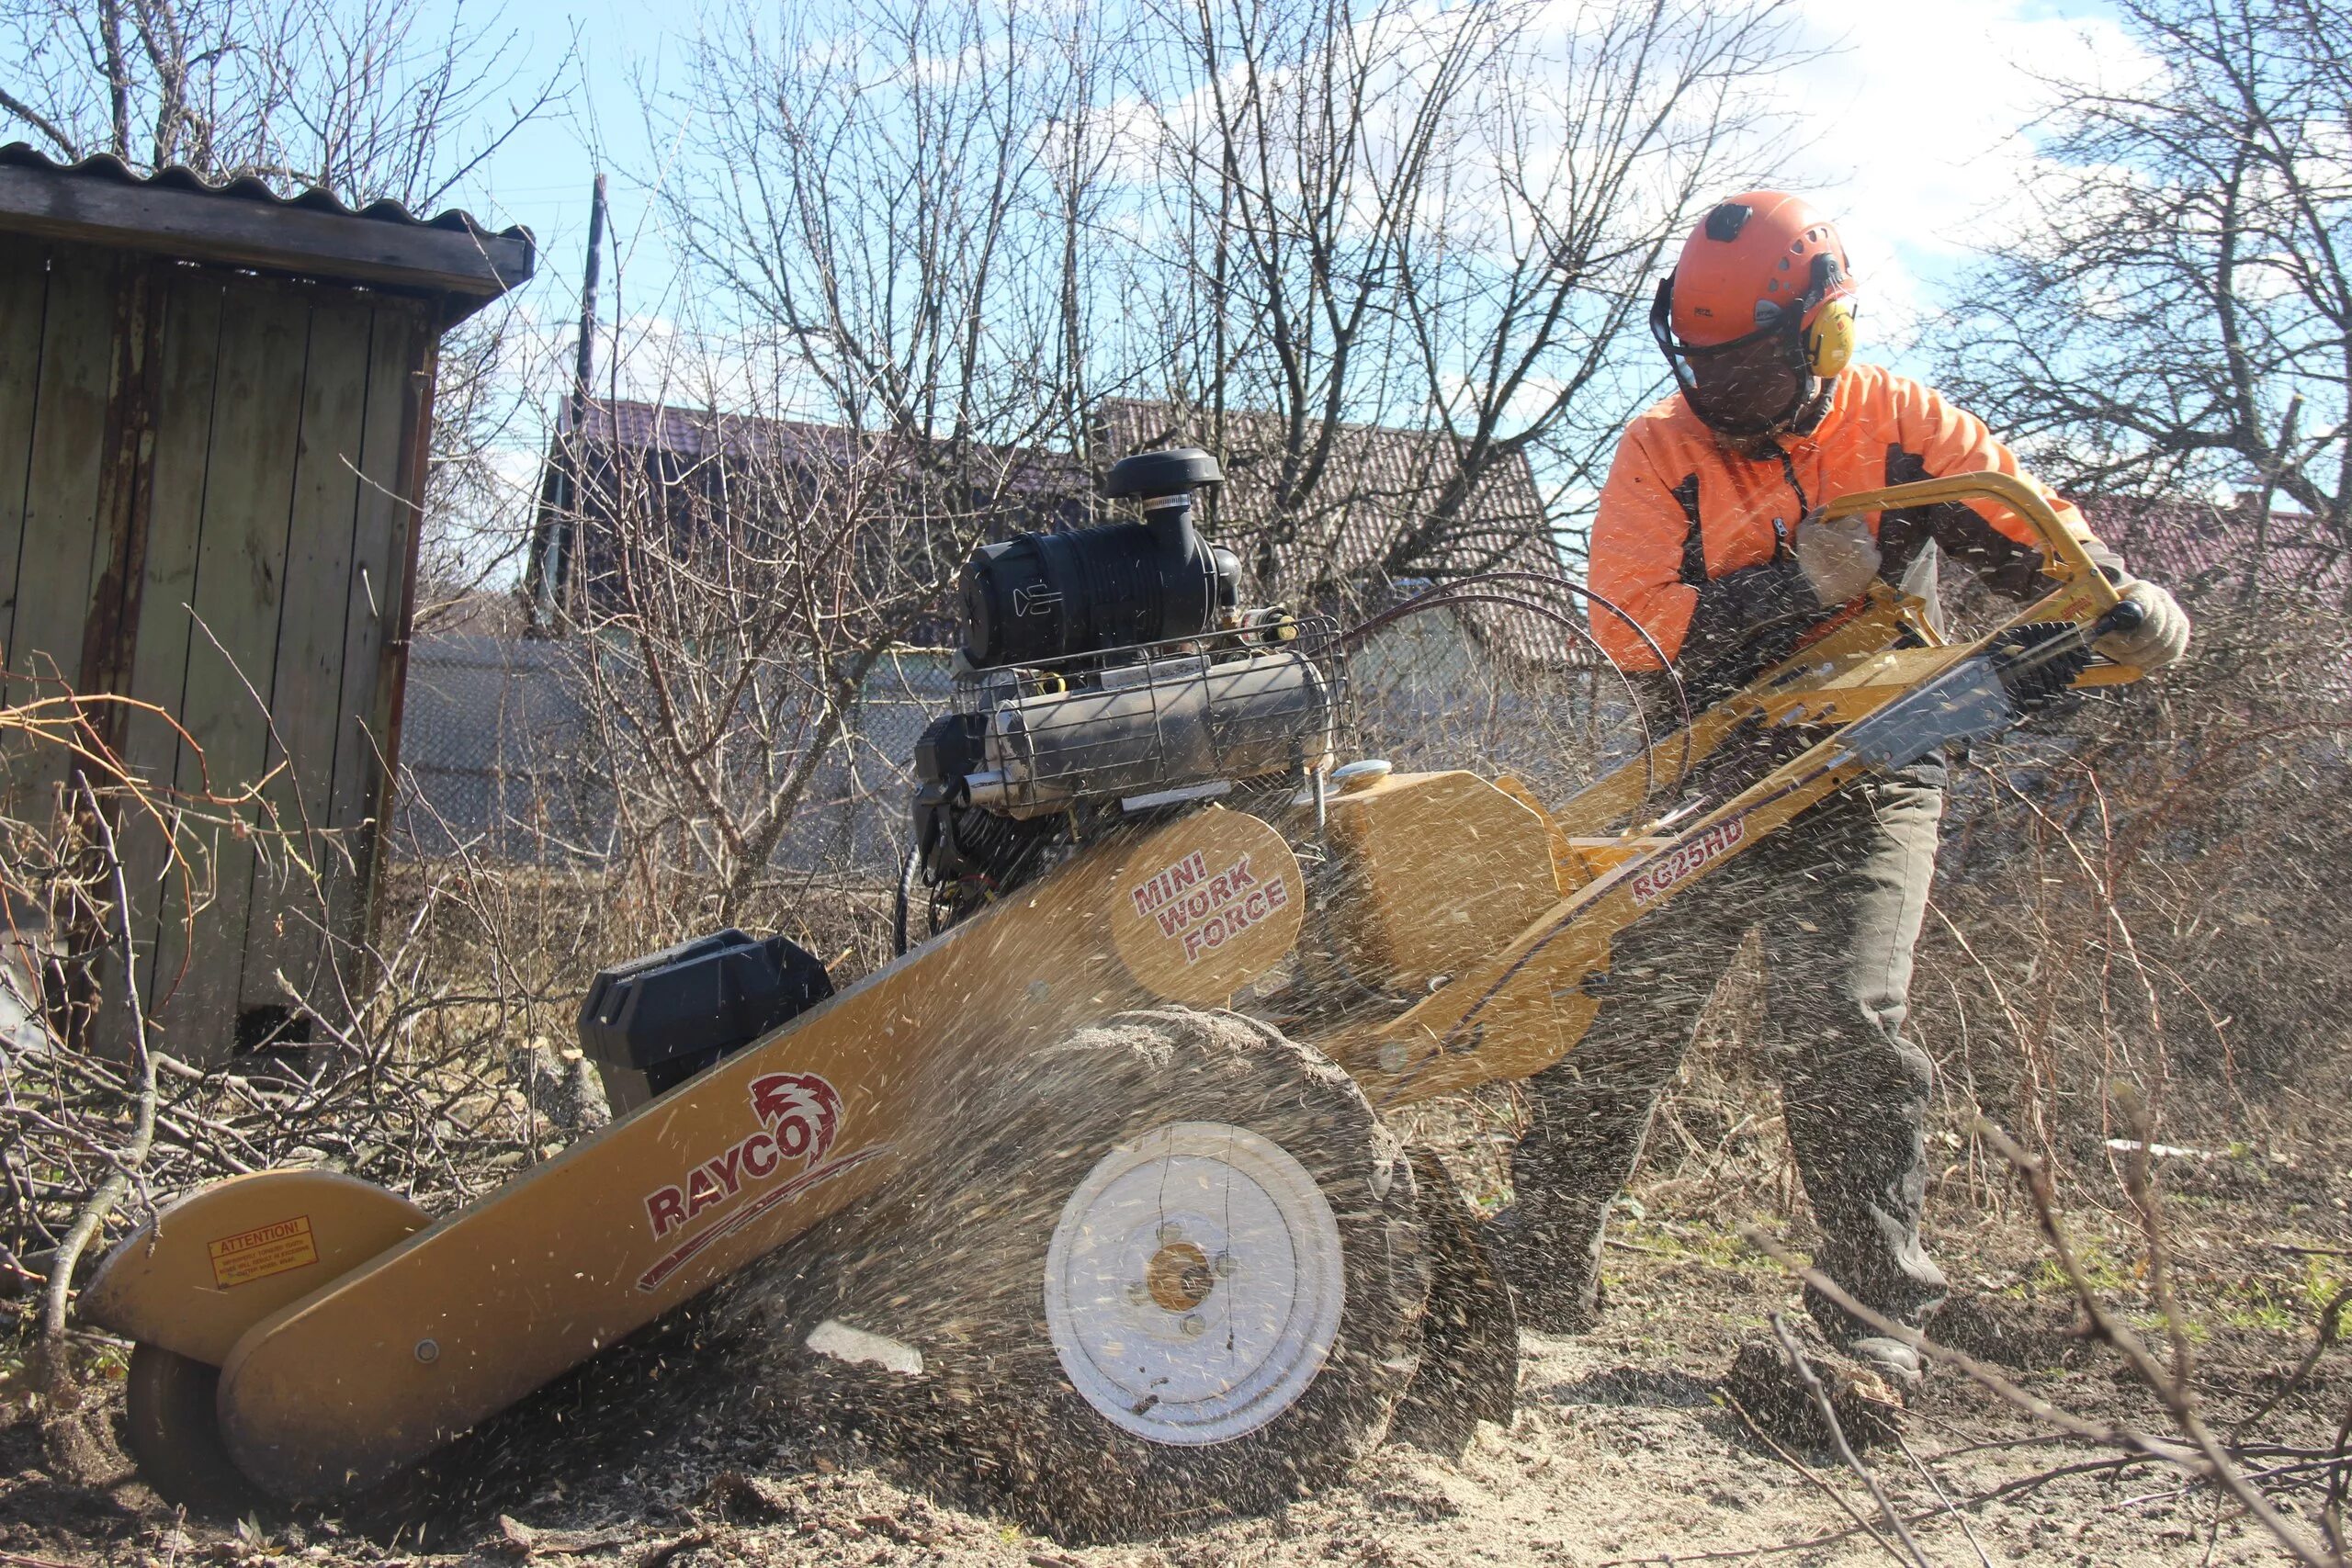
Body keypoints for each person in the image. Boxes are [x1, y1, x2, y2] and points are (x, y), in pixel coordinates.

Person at [1487, 190, 2192, 1384]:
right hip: (1714, 762)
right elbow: (1627, 626)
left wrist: (2121, 596)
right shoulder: (1664, 450)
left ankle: (1872, 1316)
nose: (1722, 395)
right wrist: (1788, 594)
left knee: (1842, 1021)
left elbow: (2037, 541)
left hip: (1876, 760)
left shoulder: (1901, 426)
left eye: (1749, 369)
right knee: (1622, 1004)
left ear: (1822, 336)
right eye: (1703, 368)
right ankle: (1542, 1255)